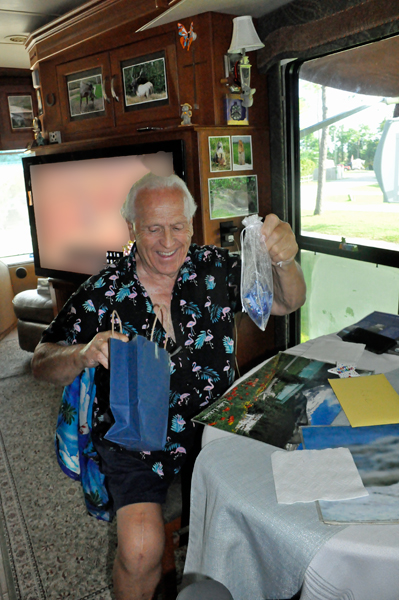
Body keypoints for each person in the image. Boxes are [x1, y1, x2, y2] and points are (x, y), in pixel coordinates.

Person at [32, 172, 306, 600]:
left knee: (279, 512)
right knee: (140, 550)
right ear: (132, 229)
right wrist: (82, 353)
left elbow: (288, 301)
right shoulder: (104, 291)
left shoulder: (215, 269)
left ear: (192, 226)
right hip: (135, 441)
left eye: (177, 226)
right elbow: (41, 361)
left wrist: (285, 260)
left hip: (218, 425)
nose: (166, 241)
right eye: (153, 228)